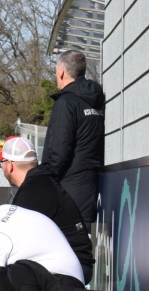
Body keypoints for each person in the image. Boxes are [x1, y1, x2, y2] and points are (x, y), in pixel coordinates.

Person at [0, 136, 94, 283]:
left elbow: (14, 239)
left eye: (2, 163)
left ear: (10, 165)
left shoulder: (33, 191)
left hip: (71, 269)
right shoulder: (41, 181)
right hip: (76, 262)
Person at [42, 49, 105, 225]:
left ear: (61, 72)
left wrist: (46, 181)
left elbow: (59, 150)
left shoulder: (66, 102)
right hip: (90, 189)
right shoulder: (97, 101)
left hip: (68, 192)